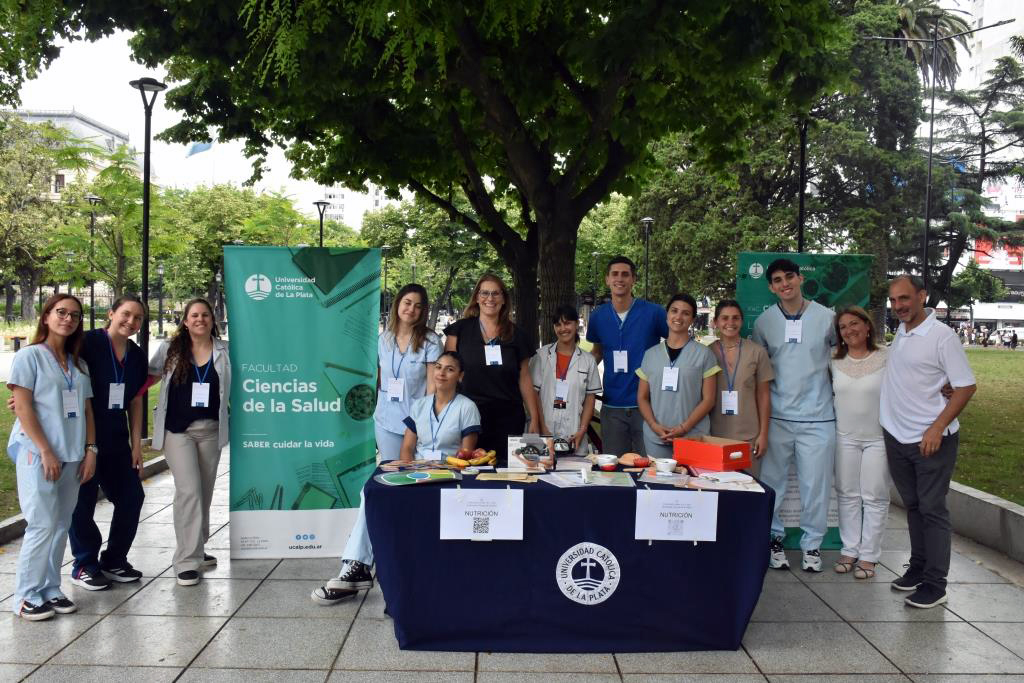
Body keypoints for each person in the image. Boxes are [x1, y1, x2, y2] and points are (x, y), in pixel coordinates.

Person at [312, 351, 481, 605]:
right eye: (438, 367)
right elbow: (407, 447)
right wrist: (409, 470)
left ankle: (356, 567)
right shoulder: (421, 405)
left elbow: (466, 453)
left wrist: (431, 469)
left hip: (449, 474)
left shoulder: (467, 407)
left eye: (449, 369)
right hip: (418, 472)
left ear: (460, 376)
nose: (441, 373)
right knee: (370, 492)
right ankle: (355, 564)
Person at [881, 275, 976, 608]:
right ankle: (918, 568)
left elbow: (964, 386)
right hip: (898, 438)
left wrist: (937, 427)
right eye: (893, 301)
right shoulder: (903, 335)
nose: (898, 306)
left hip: (931, 440)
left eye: (904, 298)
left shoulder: (942, 336)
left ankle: (936, 584)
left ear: (922, 296)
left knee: (933, 510)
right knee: (915, 507)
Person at [8, 295, 96, 620]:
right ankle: (25, 596)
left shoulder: (78, 364)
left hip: (73, 455)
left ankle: (50, 588)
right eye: (61, 312)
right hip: (39, 455)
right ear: (46, 316)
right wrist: (45, 450)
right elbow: (24, 407)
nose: (68, 319)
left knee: (61, 524)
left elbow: (87, 411)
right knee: (42, 523)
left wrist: (91, 450)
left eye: (74, 315)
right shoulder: (29, 357)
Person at [752, 258, 836, 573]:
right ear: (772, 287)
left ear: (800, 279)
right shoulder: (764, 322)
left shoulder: (827, 317)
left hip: (819, 417)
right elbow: (759, 370)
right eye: (777, 280)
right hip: (777, 417)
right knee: (772, 483)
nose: (785, 284)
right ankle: (774, 539)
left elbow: (845, 357)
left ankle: (812, 545)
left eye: (789, 277)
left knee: (816, 485)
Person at [67, 295, 149, 589]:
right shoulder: (86, 343)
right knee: (83, 503)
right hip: (81, 438)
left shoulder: (137, 356)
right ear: (111, 313)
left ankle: (114, 559)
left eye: (138, 318)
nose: (131, 322)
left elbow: (137, 400)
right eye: (126, 314)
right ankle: (84, 564)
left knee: (132, 497)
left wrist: (137, 444)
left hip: (116, 439)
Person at [149, 298, 231, 587]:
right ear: (185, 321)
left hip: (210, 430)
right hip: (177, 432)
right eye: (194, 315)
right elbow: (147, 377)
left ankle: (196, 548)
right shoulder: (169, 350)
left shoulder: (225, 351)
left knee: (205, 493)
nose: (200, 319)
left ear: (213, 319)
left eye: (205, 315)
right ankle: (186, 561)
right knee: (189, 491)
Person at [443, 274, 539, 465]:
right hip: (469, 417)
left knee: (509, 475)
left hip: (509, 418)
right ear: (477, 297)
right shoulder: (459, 331)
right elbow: (449, 375)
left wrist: (534, 418)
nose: (490, 298)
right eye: (485, 293)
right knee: (469, 475)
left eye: (496, 293)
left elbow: (525, 378)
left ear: (504, 299)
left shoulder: (517, 335)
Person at [585, 256, 669, 455]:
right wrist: (577, 379)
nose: (619, 279)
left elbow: (675, 343)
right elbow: (597, 352)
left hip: (647, 405)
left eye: (625, 274)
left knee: (648, 467)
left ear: (633, 279)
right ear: (607, 279)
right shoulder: (598, 316)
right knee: (614, 470)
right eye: (614, 274)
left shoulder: (654, 313)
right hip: (612, 405)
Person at [830, 306, 890, 580]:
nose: (849, 330)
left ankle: (870, 556)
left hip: (878, 438)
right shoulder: (833, 359)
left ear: (867, 327)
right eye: (843, 327)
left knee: (875, 496)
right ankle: (850, 549)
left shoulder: (887, 357)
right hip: (845, 437)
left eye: (854, 324)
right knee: (847, 494)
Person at [636, 294, 720, 458]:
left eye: (685, 313)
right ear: (667, 314)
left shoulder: (704, 354)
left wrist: (684, 428)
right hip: (656, 437)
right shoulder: (650, 354)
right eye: (674, 311)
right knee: (657, 483)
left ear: (692, 319)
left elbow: (709, 399)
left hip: (692, 437)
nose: (678, 317)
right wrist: (654, 426)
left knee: (691, 483)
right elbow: (642, 397)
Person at [374, 284, 442, 458]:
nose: (411, 309)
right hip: (386, 421)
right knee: (390, 475)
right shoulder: (383, 340)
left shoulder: (431, 341)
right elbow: (379, 379)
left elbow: (433, 388)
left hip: (417, 424)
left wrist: (425, 421)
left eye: (418, 306)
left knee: (415, 478)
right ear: (398, 303)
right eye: (408, 302)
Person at [708, 300, 774, 476]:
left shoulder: (757, 352)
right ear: (716, 322)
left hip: (748, 437)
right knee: (718, 492)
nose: (730, 323)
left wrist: (763, 434)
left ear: (742, 322)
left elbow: (764, 395)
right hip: (714, 436)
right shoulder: (707, 353)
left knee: (747, 492)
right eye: (725, 318)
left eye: (736, 318)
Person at [530, 304, 602, 454]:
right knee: (543, 472)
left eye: (568, 323)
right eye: (558, 324)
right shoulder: (541, 356)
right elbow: (533, 394)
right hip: (545, 428)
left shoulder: (588, 360)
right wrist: (543, 427)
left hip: (574, 431)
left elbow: (590, 398)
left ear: (576, 324)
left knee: (574, 473)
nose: (563, 328)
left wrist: (582, 430)